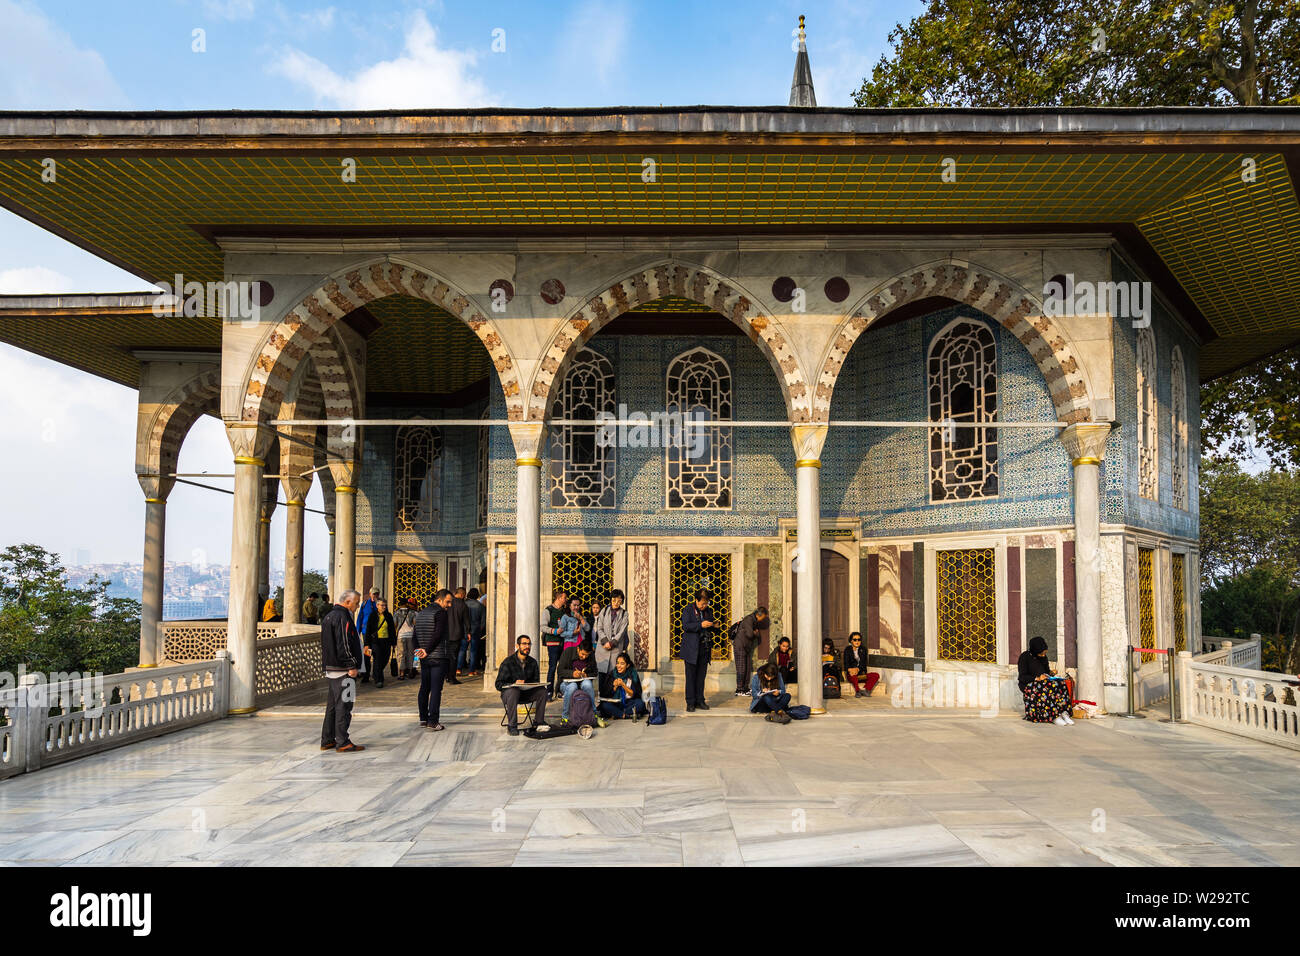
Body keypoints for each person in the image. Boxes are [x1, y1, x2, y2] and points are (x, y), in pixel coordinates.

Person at [320, 589, 365, 752]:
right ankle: (342, 741)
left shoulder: (329, 616)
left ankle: (328, 739)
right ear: (347, 602)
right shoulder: (342, 617)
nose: (357, 606)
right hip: (343, 669)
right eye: (356, 603)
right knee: (344, 706)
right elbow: (343, 644)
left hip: (333, 669)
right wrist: (351, 665)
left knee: (332, 706)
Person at [414, 588, 453, 731]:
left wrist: (418, 650)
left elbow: (415, 634)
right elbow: (438, 634)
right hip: (438, 656)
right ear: (439, 599)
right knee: (436, 689)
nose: (449, 605)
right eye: (447, 602)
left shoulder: (421, 613)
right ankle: (433, 721)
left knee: (425, 687)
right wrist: (427, 650)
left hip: (425, 657)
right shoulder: (440, 613)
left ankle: (423, 718)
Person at [494, 635, 549, 736]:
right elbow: (498, 684)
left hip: (526, 693)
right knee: (514, 691)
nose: (527, 646)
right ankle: (512, 725)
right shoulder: (508, 662)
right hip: (510, 695)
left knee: (542, 691)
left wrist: (531, 684)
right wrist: (513, 684)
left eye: (529, 644)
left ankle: (538, 722)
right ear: (517, 646)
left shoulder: (533, 662)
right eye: (524, 644)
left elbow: (536, 681)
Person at [1018, 635, 1074, 725]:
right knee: (1049, 686)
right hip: (1028, 684)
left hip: (1043, 682)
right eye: (1041, 653)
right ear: (1035, 650)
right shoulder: (1024, 657)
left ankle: (1063, 712)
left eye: (1044, 653)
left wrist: (1051, 673)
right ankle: (1054, 716)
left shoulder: (1043, 657)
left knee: (1061, 683)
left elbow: (1045, 672)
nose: (1043, 655)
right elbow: (1022, 677)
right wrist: (1037, 678)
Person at [679, 588, 717, 713]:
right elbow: (686, 626)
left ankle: (700, 700)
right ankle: (690, 702)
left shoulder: (708, 610)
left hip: (704, 648)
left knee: (701, 677)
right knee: (691, 677)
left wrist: (713, 625)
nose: (704, 606)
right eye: (702, 603)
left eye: (706, 603)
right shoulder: (688, 610)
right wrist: (700, 625)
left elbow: (709, 621)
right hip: (691, 649)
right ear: (696, 600)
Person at [593, 589, 629, 690]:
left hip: (615, 648)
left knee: (613, 673)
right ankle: (601, 696)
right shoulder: (604, 611)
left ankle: (611, 695)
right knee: (602, 673)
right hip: (603, 647)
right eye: (614, 600)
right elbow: (599, 627)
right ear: (610, 600)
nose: (616, 603)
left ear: (622, 601)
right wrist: (605, 641)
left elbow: (622, 631)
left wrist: (612, 643)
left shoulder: (624, 614)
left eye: (619, 600)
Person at [731, 606, 769, 697]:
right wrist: (755, 633)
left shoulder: (754, 620)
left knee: (747, 667)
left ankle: (745, 688)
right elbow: (749, 634)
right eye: (763, 617)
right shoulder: (749, 619)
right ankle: (739, 689)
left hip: (746, 646)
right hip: (740, 645)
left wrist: (755, 632)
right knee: (741, 668)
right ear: (759, 614)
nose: (763, 619)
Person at [598, 652, 646, 721]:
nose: (619, 666)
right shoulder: (612, 674)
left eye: (622, 663)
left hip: (628, 703)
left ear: (627, 665)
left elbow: (633, 694)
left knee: (640, 704)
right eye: (617, 663)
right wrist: (614, 686)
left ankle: (618, 714)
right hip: (615, 703)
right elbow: (606, 694)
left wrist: (623, 685)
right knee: (604, 705)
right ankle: (626, 715)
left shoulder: (632, 674)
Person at [557, 640, 598, 721]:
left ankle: (593, 713)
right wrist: (572, 673)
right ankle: (565, 716)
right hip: (566, 683)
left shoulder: (591, 656)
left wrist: (587, 675)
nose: (584, 657)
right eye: (582, 654)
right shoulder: (568, 652)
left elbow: (595, 672)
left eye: (587, 655)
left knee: (588, 685)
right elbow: (559, 671)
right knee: (573, 686)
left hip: (582, 682)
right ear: (578, 649)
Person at [540, 588, 569, 700]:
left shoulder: (564, 611)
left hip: (563, 643)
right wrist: (554, 631)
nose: (566, 600)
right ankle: (549, 692)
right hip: (552, 642)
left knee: (562, 668)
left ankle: (560, 691)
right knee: (552, 667)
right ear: (559, 598)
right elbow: (542, 626)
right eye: (564, 598)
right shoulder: (548, 610)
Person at [364, 597, 396, 688]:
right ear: (377, 605)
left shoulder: (388, 616)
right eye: (382, 605)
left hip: (386, 641)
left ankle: (376, 673)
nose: (384, 607)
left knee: (385, 659)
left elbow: (392, 630)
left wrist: (393, 642)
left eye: (385, 605)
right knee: (377, 659)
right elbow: (368, 630)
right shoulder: (373, 615)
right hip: (375, 641)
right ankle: (379, 680)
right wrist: (367, 644)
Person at [841, 631, 878, 697]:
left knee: (875, 675)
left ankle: (866, 690)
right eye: (855, 640)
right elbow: (846, 664)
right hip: (852, 674)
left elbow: (864, 663)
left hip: (861, 673)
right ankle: (857, 691)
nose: (857, 641)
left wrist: (857, 669)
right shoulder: (847, 649)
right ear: (851, 641)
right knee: (853, 676)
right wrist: (850, 670)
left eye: (859, 639)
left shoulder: (863, 649)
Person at [355, 588, 379, 682]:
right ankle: (366, 675)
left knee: (377, 655)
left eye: (376, 594)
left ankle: (377, 675)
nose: (375, 596)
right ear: (370, 594)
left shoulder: (380, 604)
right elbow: (360, 617)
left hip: (377, 634)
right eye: (373, 594)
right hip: (366, 634)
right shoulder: (365, 604)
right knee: (367, 654)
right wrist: (358, 631)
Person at [448, 587, 470, 684]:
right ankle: (452, 677)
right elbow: (466, 621)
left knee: (446, 656)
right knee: (454, 657)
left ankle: (447, 676)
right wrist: (468, 632)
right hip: (457, 634)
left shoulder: (448, 603)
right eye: (464, 595)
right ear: (462, 595)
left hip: (446, 633)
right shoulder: (463, 605)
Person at [394, 596, 418, 680]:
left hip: (401, 636)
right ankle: (411, 671)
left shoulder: (396, 613)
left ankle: (402, 673)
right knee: (411, 654)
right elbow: (415, 624)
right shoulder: (413, 613)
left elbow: (395, 625)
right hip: (411, 636)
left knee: (401, 654)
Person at [464, 587, 487, 676]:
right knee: (473, 651)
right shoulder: (480, 606)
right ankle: (471, 670)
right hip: (475, 631)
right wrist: (480, 630)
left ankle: (458, 669)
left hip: (465, 631)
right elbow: (483, 621)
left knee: (462, 650)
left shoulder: (464, 604)